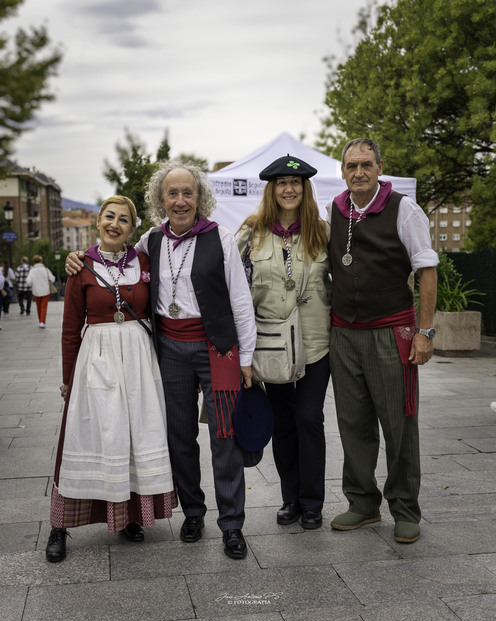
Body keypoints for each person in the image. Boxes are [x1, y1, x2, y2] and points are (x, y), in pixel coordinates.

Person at [66, 162, 256, 560]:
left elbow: (240, 300)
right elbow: (113, 259)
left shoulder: (220, 237)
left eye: (188, 193)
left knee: (225, 437)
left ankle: (232, 524)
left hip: (217, 348)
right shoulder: (150, 241)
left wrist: (247, 357)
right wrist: (78, 257)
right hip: (168, 348)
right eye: (172, 193)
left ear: (199, 198)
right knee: (179, 436)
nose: (180, 201)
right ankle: (193, 513)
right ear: (160, 200)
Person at [46, 195, 176, 563]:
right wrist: (68, 379)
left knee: (134, 436)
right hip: (97, 360)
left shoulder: (144, 261)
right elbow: (70, 329)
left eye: (123, 219)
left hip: (138, 361)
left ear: (133, 229)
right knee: (86, 436)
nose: (114, 224)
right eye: (109, 216)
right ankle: (59, 526)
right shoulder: (81, 267)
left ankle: (130, 517)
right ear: (98, 221)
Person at [327, 138, 438, 544]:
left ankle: (405, 509)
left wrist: (424, 332)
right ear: (342, 171)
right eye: (352, 165)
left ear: (379, 167)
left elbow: (427, 270)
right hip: (344, 332)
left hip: (392, 331)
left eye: (366, 164)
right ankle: (362, 502)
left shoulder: (403, 209)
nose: (359, 172)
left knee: (399, 423)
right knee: (352, 422)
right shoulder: (334, 209)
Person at [237, 155, 331, 530]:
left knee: (308, 417)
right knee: (283, 422)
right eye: (281, 183)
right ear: (271, 190)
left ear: (304, 189)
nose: (288, 189)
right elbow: (233, 287)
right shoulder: (251, 233)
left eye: (295, 183)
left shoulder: (322, 232)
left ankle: (312, 502)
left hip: (315, 344)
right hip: (271, 345)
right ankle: (290, 499)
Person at [26, 255, 55, 328]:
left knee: (38, 306)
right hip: (46, 290)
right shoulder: (46, 269)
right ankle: (42, 322)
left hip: (36, 291)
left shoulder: (32, 270)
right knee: (44, 307)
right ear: (41, 261)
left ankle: (40, 321)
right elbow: (52, 278)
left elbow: (28, 281)